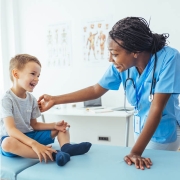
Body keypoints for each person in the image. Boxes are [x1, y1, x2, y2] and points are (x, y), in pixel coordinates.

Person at [38, 17, 180, 170]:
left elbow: (156, 109)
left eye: (114, 53)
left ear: (135, 51)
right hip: (140, 131)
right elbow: (96, 90)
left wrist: (135, 152)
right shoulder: (122, 65)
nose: (110, 59)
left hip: (163, 133)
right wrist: (55, 99)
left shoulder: (169, 58)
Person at [0, 54, 91, 166]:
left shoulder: (31, 99)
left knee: (62, 127)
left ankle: (66, 148)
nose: (37, 79)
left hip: (30, 134)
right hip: (15, 139)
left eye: (38, 75)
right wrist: (34, 144)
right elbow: (11, 130)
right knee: (7, 143)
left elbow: (34, 125)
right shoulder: (6, 99)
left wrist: (55, 125)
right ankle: (54, 154)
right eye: (33, 74)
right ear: (16, 74)